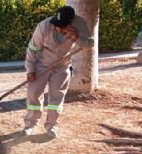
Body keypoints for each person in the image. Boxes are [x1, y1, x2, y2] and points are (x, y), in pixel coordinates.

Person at [22, 6, 94, 138]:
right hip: (41, 65)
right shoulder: (44, 26)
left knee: (56, 98)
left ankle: (52, 126)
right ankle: (30, 125)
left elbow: (90, 44)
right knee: (33, 94)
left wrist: (77, 37)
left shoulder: (80, 25)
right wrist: (30, 70)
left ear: (71, 24)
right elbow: (32, 49)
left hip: (62, 66)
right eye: (57, 25)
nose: (58, 28)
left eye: (62, 26)